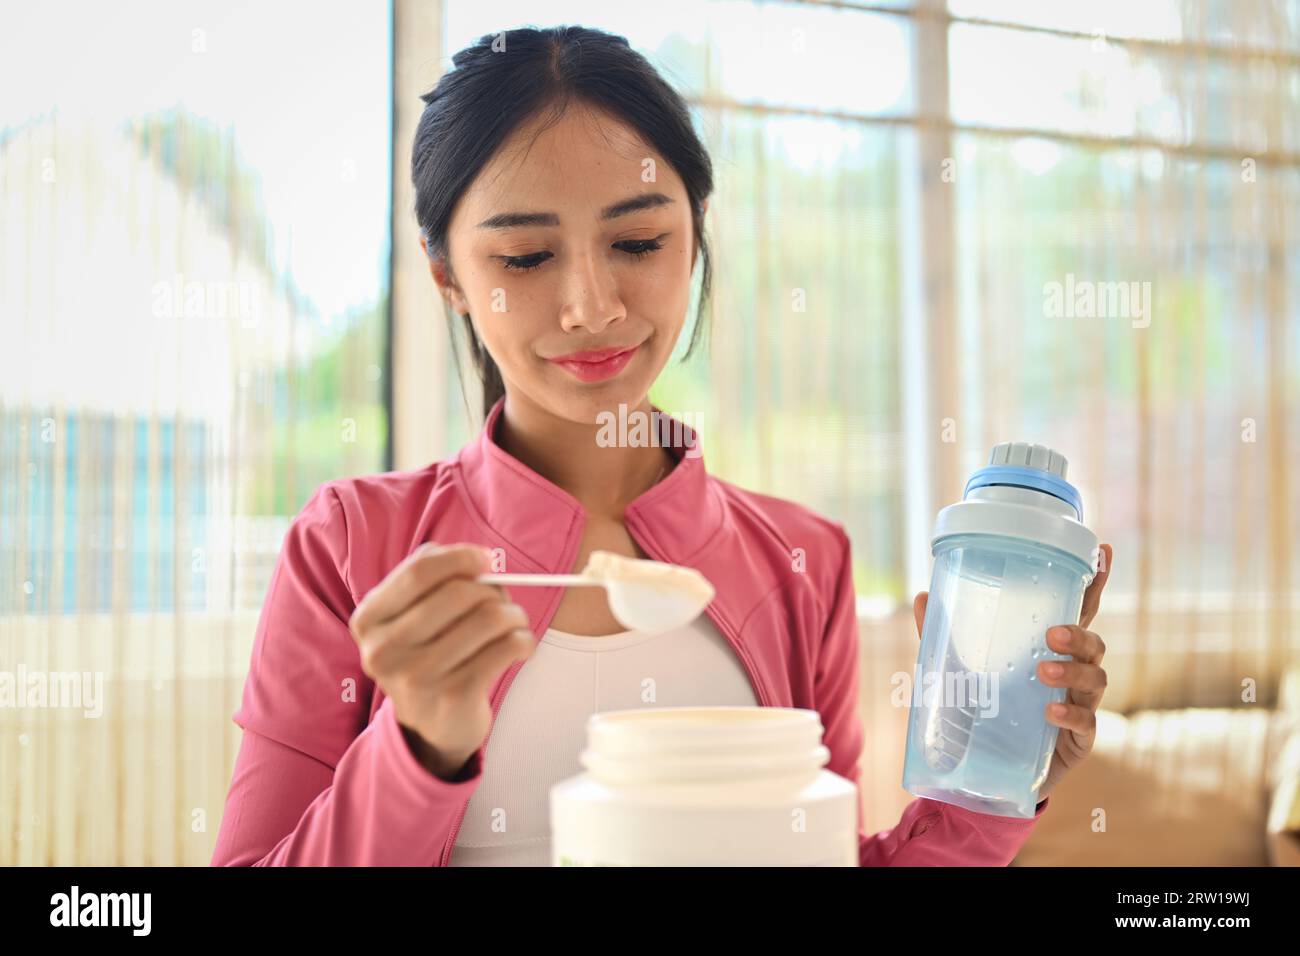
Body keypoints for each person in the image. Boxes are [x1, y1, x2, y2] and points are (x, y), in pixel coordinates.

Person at [211, 24, 1113, 867]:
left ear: (695, 236)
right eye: (524, 258)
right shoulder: (349, 545)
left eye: (639, 240)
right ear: (447, 275)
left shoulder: (805, 561)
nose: (592, 306)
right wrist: (415, 749)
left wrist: (992, 780)